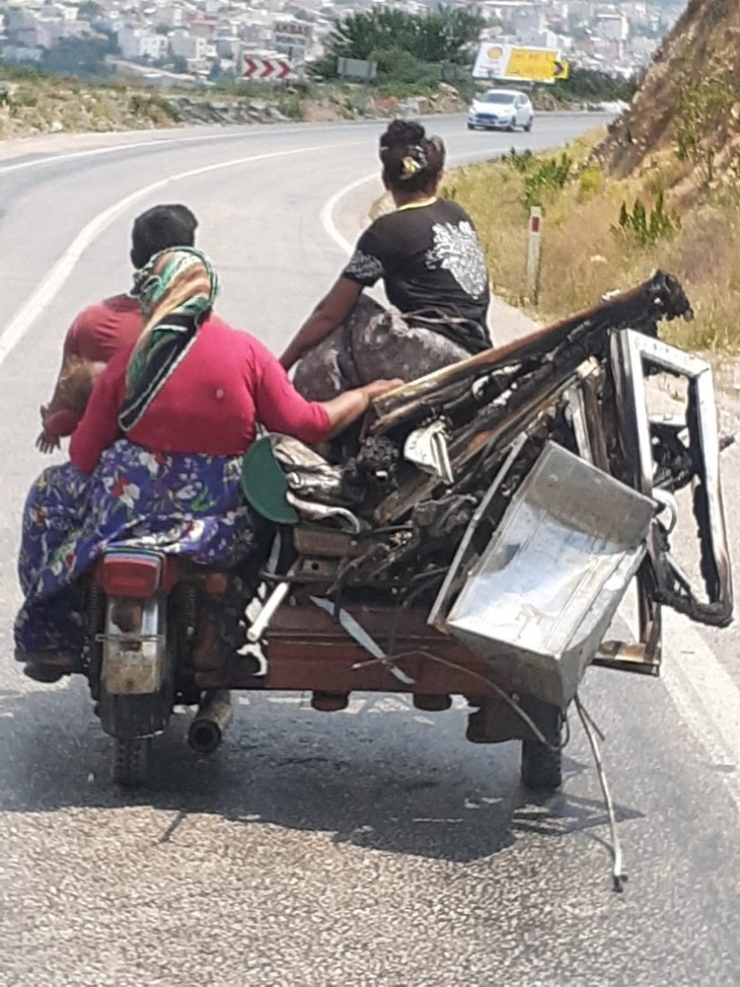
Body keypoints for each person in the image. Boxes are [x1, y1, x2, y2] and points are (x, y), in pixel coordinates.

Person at [16, 247, 401, 682]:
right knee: (272, 517)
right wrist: (363, 395)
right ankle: (217, 624)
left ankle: (54, 634)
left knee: (48, 491)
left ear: (155, 295)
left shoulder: (132, 360)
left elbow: (83, 456)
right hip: (215, 523)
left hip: (127, 517)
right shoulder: (245, 351)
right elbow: (308, 424)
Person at [280, 119, 493, 402]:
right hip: (478, 349)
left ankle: (307, 415)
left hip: (435, 353)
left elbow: (329, 313)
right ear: (437, 178)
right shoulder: (457, 214)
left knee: (352, 312)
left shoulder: (387, 231)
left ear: (386, 182)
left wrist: (282, 364)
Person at [36, 203, 199, 453]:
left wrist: (51, 425)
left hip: (103, 461)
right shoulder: (200, 325)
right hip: (178, 459)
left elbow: (67, 399)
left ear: (134, 258)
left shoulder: (91, 321)